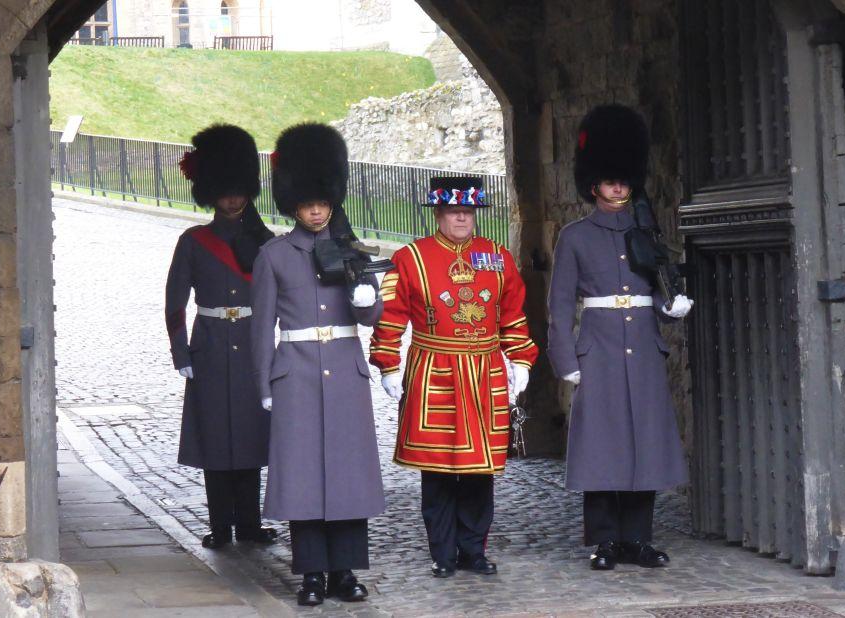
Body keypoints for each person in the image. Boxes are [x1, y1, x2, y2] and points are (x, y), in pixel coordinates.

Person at [546, 104, 693, 571]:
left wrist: (669, 307)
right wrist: (565, 357)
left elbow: (656, 290)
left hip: (643, 349)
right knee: (603, 447)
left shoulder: (646, 231)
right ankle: (605, 539)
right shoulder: (575, 236)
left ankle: (638, 538)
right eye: (610, 181)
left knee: (643, 443)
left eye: (623, 180)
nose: (617, 187)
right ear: (595, 185)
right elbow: (559, 303)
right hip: (600, 348)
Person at [369, 176, 539, 578]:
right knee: (440, 468)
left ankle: (473, 550)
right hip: (436, 370)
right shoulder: (411, 258)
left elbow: (512, 314)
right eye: (453, 211)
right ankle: (442, 553)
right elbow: (391, 314)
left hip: (484, 371)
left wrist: (520, 360)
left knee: (480, 469)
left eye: (468, 211)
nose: (462, 218)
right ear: (439, 213)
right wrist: (388, 363)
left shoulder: (497, 256)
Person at [250, 123, 385, 607]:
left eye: (323, 203)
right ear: (295, 204)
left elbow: (370, 316)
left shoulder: (350, 251)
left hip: (345, 372)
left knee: (348, 477)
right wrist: (264, 380)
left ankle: (345, 572)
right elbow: (261, 325)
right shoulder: (274, 256)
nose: (316, 210)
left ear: (332, 201)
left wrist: (368, 294)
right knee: (303, 478)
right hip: (298, 375)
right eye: (308, 203)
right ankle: (311, 572)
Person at [164, 124, 277, 550]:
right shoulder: (194, 241)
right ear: (212, 192)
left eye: (238, 191)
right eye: (226, 191)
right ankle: (220, 525)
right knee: (216, 440)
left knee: (249, 437)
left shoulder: (264, 242)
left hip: (251, 345)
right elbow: (175, 301)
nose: (233, 199)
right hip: (209, 346)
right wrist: (181, 352)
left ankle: (249, 523)